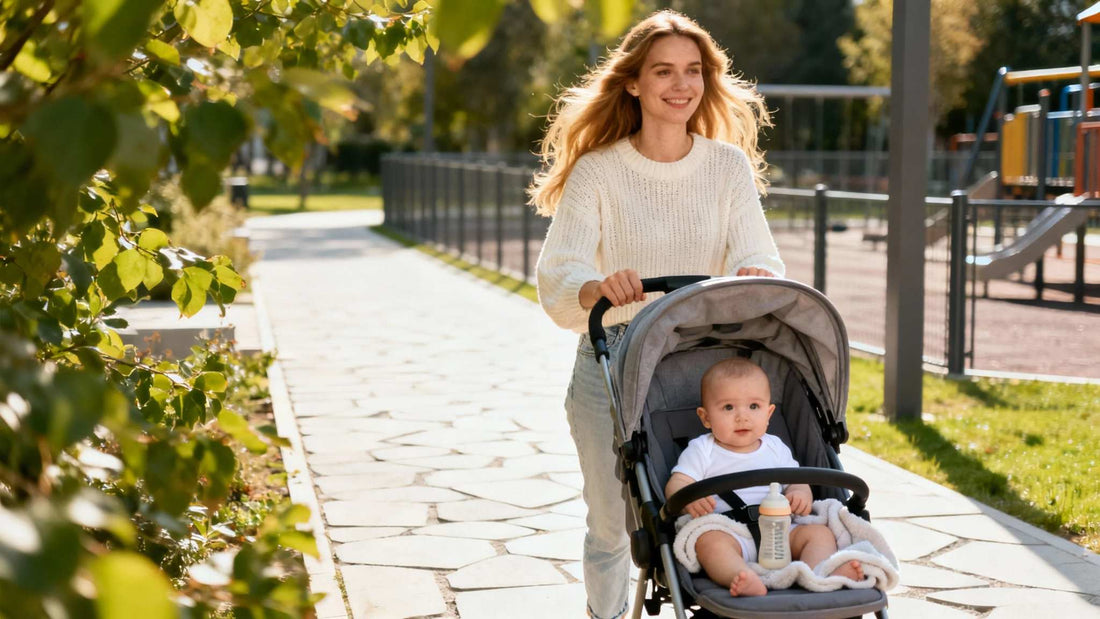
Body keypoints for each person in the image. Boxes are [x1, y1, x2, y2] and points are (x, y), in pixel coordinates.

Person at [530, 10, 785, 618]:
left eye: (693, 71)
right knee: (614, 524)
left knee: (720, 502)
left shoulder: (726, 167)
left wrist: (753, 270)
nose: (681, 84)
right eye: (664, 70)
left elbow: (759, 252)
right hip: (613, 361)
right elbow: (557, 273)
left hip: (702, 364)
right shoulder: (599, 171)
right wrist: (596, 286)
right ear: (634, 83)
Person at [665, 358, 864, 597]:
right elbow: (678, 482)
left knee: (819, 534)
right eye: (728, 407)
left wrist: (799, 492)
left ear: (769, 413)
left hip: (782, 530)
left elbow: (796, 478)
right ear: (706, 417)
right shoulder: (702, 450)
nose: (742, 417)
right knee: (709, 543)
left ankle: (819, 574)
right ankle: (741, 576)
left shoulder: (775, 447)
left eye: (754, 407)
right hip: (730, 531)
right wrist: (688, 498)